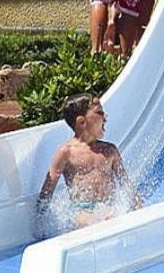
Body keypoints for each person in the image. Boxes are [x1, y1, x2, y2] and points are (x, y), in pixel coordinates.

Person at [35, 93, 138, 231]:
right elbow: (47, 191)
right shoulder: (66, 152)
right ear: (81, 122)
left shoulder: (110, 150)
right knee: (87, 221)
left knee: (115, 216)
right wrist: (40, 224)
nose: (105, 117)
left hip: (108, 206)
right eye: (99, 112)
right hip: (82, 210)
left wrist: (138, 207)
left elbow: (126, 185)